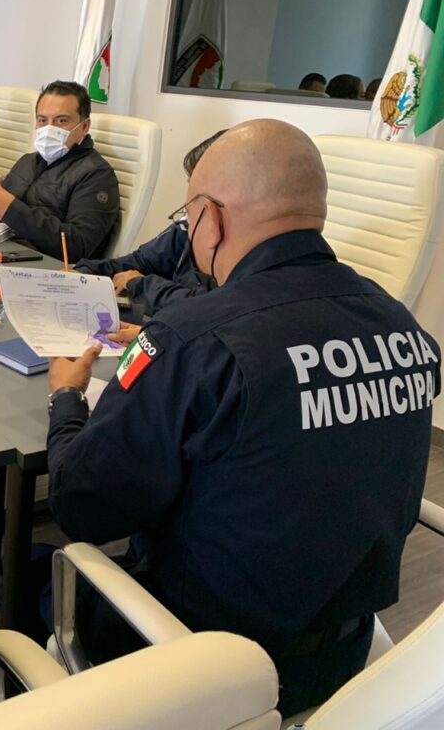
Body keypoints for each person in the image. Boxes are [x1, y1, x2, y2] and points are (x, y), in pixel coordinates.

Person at [45, 119, 440, 716]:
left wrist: (67, 398)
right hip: (346, 658)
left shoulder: (189, 339)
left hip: (201, 666)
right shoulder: (403, 327)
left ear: (212, 218)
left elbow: (82, 508)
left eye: (188, 219)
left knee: (28, 576)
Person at [0, 80, 120, 261]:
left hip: (44, 267)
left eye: (61, 121)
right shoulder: (28, 161)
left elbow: (78, 246)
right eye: (42, 120)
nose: (49, 128)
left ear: (84, 126)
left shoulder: (96, 175)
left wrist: (10, 210)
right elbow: (5, 213)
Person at [75, 130, 225, 319]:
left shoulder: (246, 248)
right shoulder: (185, 227)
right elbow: (142, 261)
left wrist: (140, 284)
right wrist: (86, 272)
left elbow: (209, 309)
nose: (188, 200)